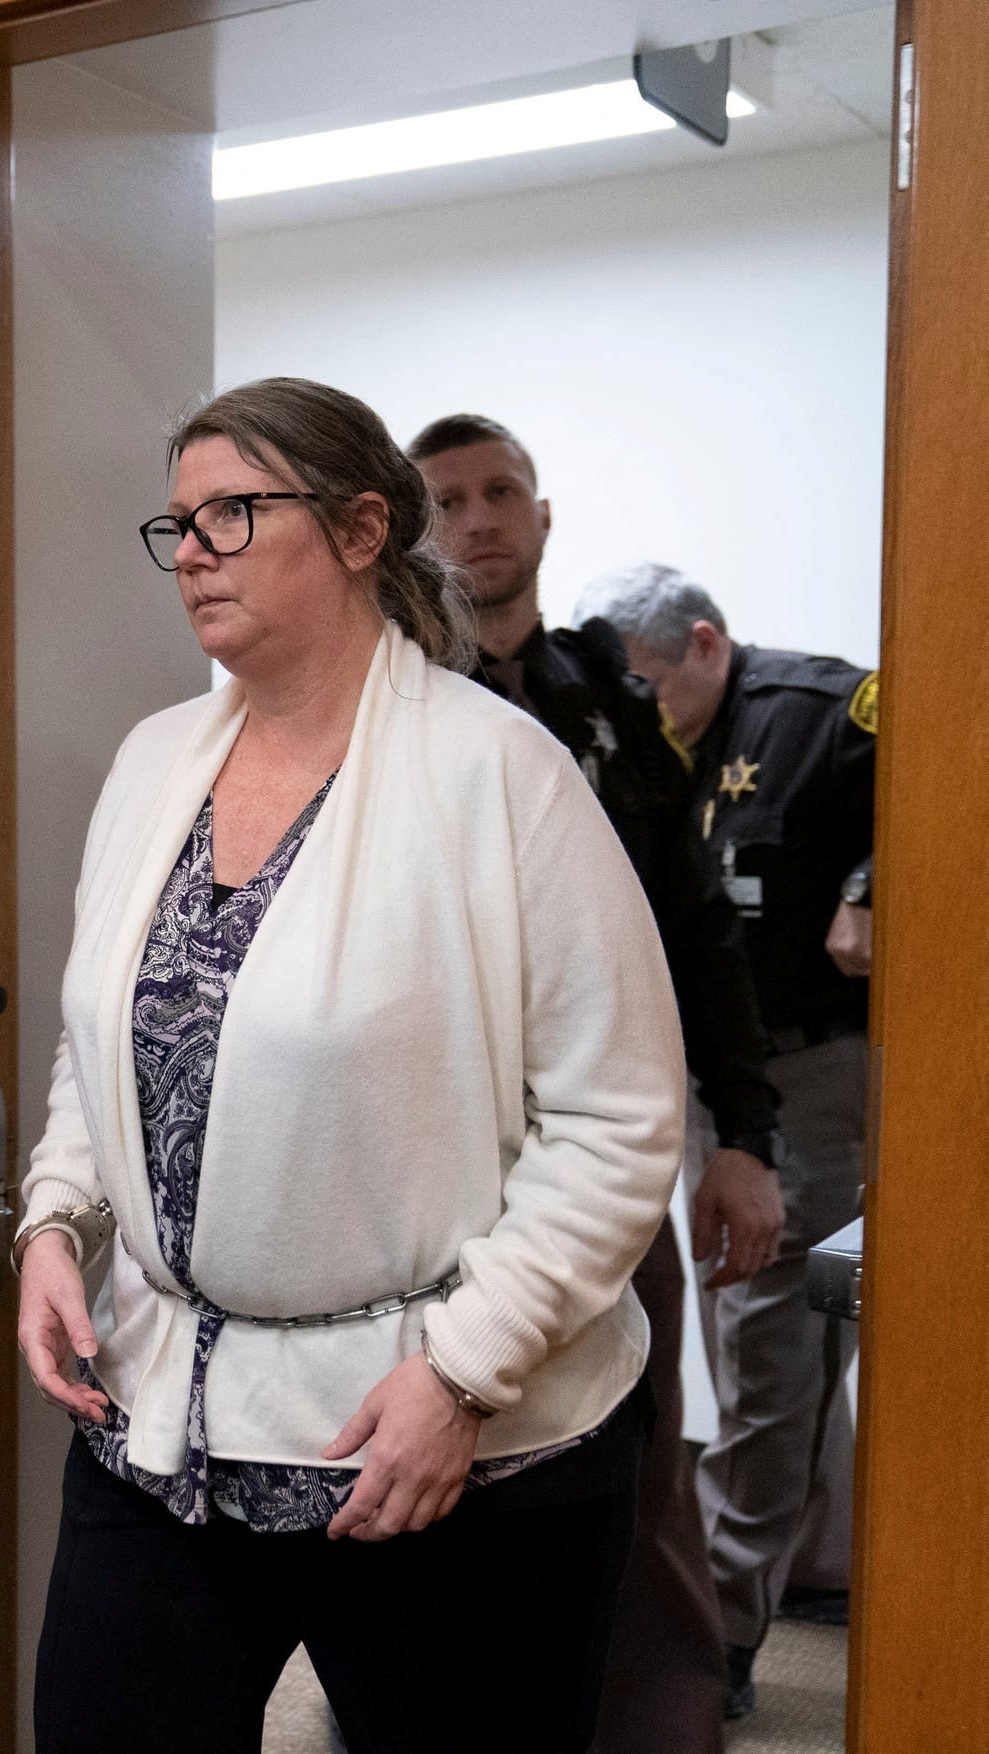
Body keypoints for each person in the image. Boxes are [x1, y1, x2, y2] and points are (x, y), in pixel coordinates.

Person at [16, 377, 682, 1754]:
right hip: (166, 1419)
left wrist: (465, 1370)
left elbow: (616, 1121)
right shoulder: (153, 763)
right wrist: (54, 1219)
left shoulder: (501, 774)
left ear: (362, 527)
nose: (192, 550)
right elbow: (107, 1046)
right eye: (181, 522)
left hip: (447, 1442)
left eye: (235, 514)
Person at [410, 413, 783, 1754]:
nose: (478, 519)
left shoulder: (612, 704)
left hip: (610, 1153)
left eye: (501, 490)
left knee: (635, 1443)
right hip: (434, 1159)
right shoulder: (391, 702)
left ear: (544, 516)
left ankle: (659, 1726)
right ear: (416, 530)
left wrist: (743, 1133)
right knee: (431, 1441)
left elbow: (699, 927)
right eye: (446, 499)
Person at [577, 563, 876, 1718]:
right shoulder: (637, 740)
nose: (642, 706)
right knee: (754, 1328)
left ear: (707, 643)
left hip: (802, 1072)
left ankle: (732, 1629)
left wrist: (872, 877)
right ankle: (816, 1561)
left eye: (656, 681)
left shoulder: (820, 714)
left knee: (763, 1341)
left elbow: (954, 759)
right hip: (698, 1083)